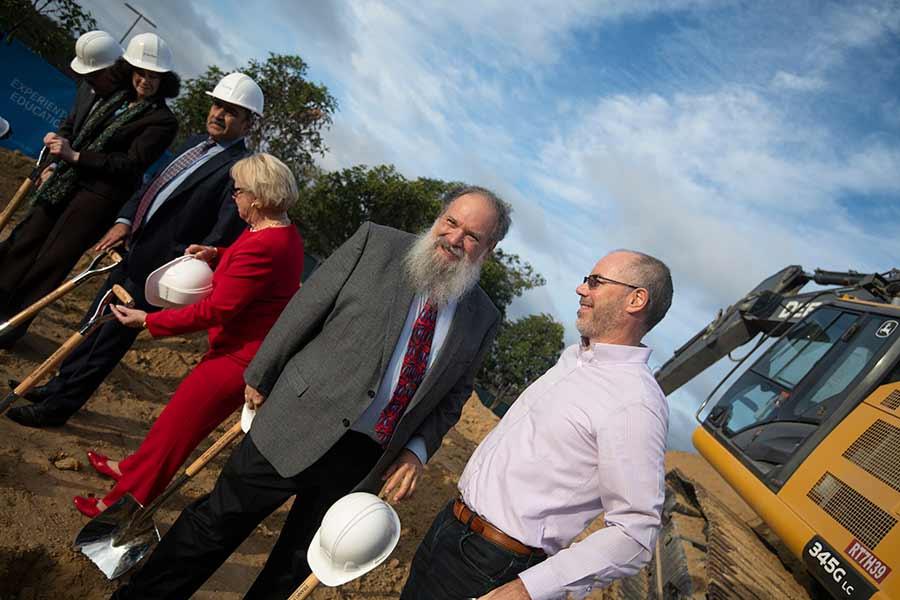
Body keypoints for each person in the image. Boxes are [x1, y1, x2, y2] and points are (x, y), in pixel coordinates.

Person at [111, 186, 510, 599]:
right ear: (439, 217)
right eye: (451, 222)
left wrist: (418, 450)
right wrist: (262, 375)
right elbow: (305, 310)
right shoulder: (377, 243)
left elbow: (454, 396)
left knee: (295, 568)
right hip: (298, 417)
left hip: (365, 459)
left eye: (472, 236)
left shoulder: (482, 317)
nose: (455, 239)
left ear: (489, 249)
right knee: (215, 524)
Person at [401, 250, 674, 600]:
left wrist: (526, 590)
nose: (580, 288)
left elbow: (634, 533)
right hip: (449, 529)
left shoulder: (636, 403)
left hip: (494, 569)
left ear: (636, 299)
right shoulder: (575, 360)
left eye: (595, 281)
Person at [6, 72, 263, 428]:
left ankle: (57, 408)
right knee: (92, 324)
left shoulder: (239, 170)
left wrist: (183, 265)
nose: (219, 114)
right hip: (134, 249)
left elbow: (219, 236)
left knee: (106, 342)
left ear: (249, 123)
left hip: (161, 271)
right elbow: (154, 186)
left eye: (232, 111)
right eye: (218, 104)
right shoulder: (195, 143)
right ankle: (54, 387)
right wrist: (125, 219)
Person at [71, 152, 303, 518]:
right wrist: (217, 252)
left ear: (257, 197)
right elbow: (249, 263)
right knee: (171, 424)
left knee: (175, 435)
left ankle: (119, 507)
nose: (233, 196)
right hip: (236, 350)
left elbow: (216, 310)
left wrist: (149, 322)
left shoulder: (265, 243)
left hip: (237, 359)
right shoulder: (274, 229)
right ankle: (131, 470)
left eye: (238, 190)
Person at [0, 32, 180, 346]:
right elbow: (75, 126)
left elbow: (131, 164)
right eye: (141, 73)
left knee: (49, 263)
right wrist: (61, 153)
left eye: (155, 77)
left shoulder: (163, 121)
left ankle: (8, 329)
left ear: (164, 81)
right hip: (63, 184)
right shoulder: (115, 96)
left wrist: (77, 156)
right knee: (23, 243)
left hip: (95, 201)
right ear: (130, 70)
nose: (146, 81)